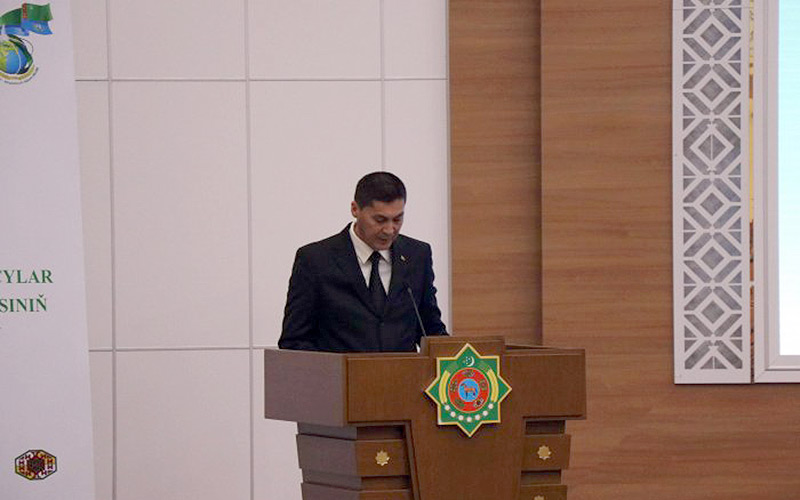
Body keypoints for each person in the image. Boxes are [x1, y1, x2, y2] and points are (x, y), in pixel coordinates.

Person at [278, 171, 447, 352]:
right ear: (355, 209)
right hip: (339, 370)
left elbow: (431, 329)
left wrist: (458, 360)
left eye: (397, 219)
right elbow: (294, 342)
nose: (390, 230)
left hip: (405, 370)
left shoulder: (417, 255)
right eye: (380, 220)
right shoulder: (315, 260)